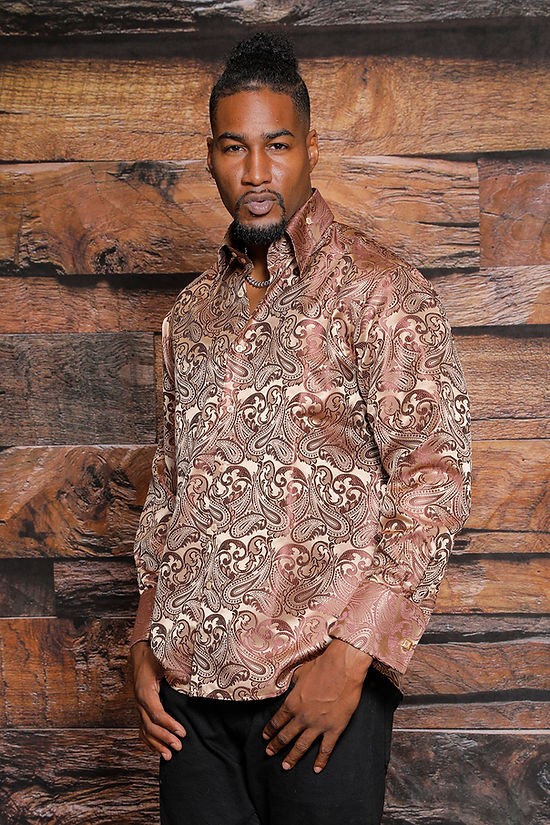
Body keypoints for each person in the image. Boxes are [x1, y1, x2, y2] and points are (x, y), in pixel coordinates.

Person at [129, 32, 471, 825]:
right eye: (233, 148)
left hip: (317, 693)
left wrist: (350, 661)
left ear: (312, 148)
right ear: (210, 156)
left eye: (276, 145)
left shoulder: (381, 293)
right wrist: (145, 638)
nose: (255, 174)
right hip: (189, 704)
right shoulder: (190, 316)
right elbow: (170, 486)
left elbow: (433, 485)